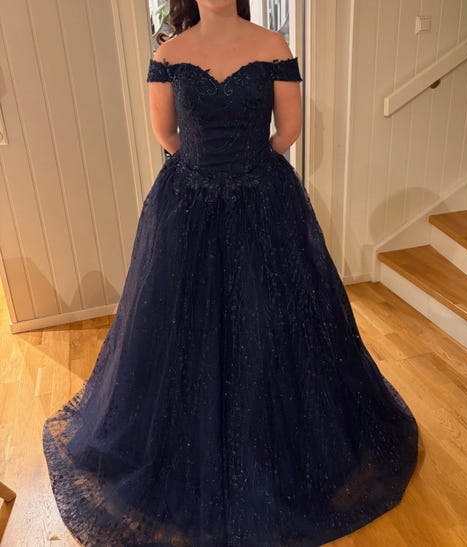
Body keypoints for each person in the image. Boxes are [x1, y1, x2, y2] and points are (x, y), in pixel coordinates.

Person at [42, 1, 419, 545]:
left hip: (258, 200)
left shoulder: (271, 46)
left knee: (271, 322)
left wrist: (233, 166)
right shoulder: (169, 55)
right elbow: (168, 134)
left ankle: (279, 446)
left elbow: (285, 131)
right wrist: (219, 167)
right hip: (193, 204)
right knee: (181, 328)